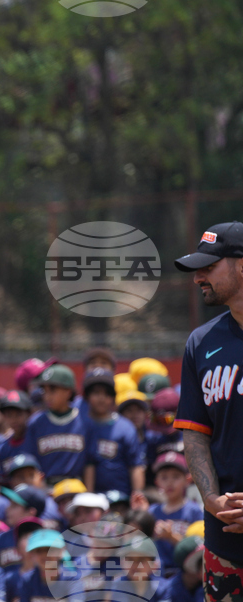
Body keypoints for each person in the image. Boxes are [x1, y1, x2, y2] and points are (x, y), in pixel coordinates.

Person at [172, 221, 243, 590]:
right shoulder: (201, 342)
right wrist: (212, 500)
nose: (198, 277)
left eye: (209, 267)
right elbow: (196, 433)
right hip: (224, 539)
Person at [22, 365, 90, 486]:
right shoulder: (36, 423)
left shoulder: (84, 421)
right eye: (44, 390)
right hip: (46, 487)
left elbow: (90, 463)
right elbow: (30, 462)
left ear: (68, 391)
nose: (47, 396)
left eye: (52, 390)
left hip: (76, 487)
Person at [82, 368, 144, 495]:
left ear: (113, 397)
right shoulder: (80, 424)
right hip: (86, 497)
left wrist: (137, 494)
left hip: (120, 496)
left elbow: (136, 466)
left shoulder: (125, 427)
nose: (101, 398)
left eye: (107, 394)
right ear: (87, 396)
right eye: (96, 393)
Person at [146, 452, 203, 577]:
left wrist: (171, 537)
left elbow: (199, 548)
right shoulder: (152, 511)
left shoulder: (194, 511)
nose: (169, 482)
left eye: (176, 477)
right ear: (157, 482)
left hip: (186, 574)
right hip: (157, 574)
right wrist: (139, 514)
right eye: (164, 477)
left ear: (187, 480)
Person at [0, 486, 47, 574]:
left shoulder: (47, 539)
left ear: (31, 512)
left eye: (14, 505)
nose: (7, 509)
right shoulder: (1, 538)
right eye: (9, 504)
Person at [0, 390, 33, 472]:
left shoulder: (36, 441)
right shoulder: (4, 448)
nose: (14, 420)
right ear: (3, 417)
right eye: (9, 415)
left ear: (29, 414)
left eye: (18, 414)